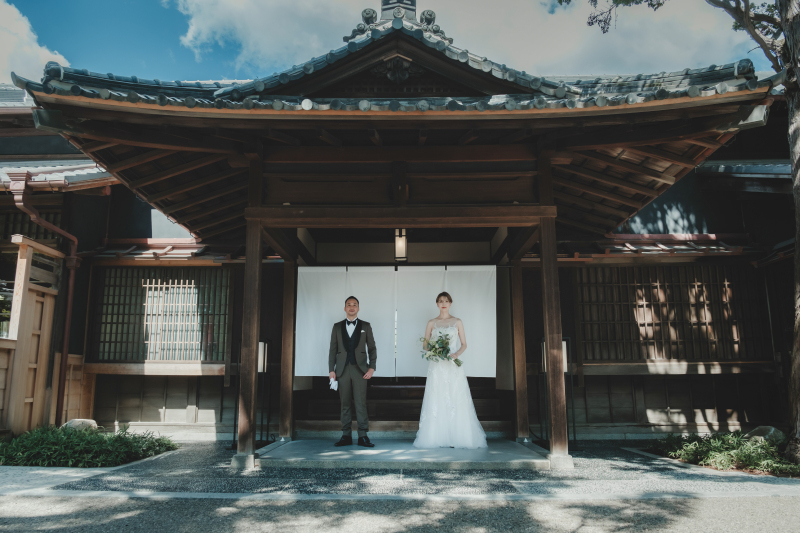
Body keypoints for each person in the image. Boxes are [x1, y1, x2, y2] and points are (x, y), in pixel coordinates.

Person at [413, 292, 487, 449]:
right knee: (437, 396)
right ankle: (436, 437)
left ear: (451, 303)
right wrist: (437, 350)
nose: (443, 303)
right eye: (440, 301)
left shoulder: (457, 321)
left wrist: (456, 354)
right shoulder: (431, 322)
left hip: (453, 364)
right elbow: (425, 345)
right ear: (437, 304)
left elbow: (464, 344)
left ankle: (458, 436)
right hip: (438, 365)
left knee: (456, 396)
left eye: (446, 301)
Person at [329, 296, 377, 448]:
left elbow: (372, 348)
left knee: (360, 403)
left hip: (360, 370)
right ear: (344, 308)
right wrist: (331, 370)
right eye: (348, 305)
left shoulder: (366, 326)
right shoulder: (337, 327)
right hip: (342, 370)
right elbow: (333, 350)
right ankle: (346, 435)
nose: (351, 307)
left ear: (358, 308)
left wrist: (372, 367)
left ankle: (363, 436)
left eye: (354, 305)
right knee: (345, 404)